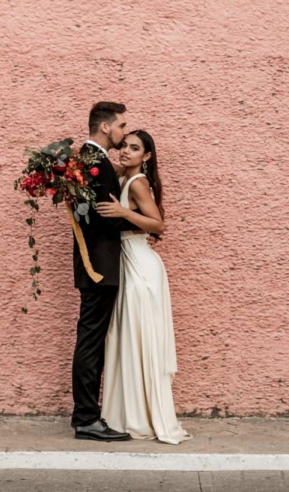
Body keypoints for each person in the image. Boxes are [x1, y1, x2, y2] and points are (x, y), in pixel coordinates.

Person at [96, 130, 191, 444]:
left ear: (146, 157)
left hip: (141, 269)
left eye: (135, 148)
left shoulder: (137, 183)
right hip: (128, 264)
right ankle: (131, 413)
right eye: (124, 145)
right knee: (128, 339)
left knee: (140, 339)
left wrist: (123, 212)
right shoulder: (123, 180)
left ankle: (145, 416)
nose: (125, 151)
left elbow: (158, 223)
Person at [70, 102, 133, 442]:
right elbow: (104, 214)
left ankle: (86, 416)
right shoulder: (94, 163)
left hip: (96, 264)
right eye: (121, 125)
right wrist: (140, 218)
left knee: (90, 339)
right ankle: (86, 418)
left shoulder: (89, 160)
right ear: (105, 127)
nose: (124, 132)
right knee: (91, 341)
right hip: (98, 267)